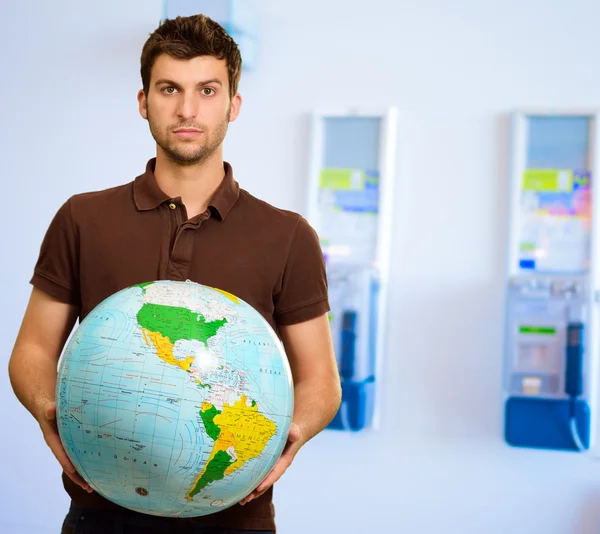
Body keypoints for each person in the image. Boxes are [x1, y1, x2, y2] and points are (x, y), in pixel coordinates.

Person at [8, 13, 342, 534]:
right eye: (169, 89)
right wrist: (51, 414)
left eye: (207, 90)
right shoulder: (82, 218)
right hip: (101, 511)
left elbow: (321, 378)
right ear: (143, 102)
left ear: (233, 105)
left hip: (236, 515)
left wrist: (290, 435)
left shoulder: (288, 235)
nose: (188, 109)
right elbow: (31, 349)